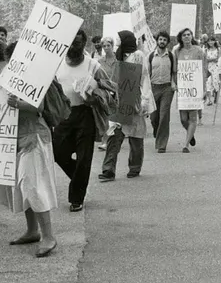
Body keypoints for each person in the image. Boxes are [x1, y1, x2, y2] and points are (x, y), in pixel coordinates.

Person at [0, 41, 71, 258]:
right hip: (16, 136)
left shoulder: (36, 75)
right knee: (22, 186)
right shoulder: (13, 75)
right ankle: (33, 230)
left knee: (32, 184)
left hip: (34, 136)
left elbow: (37, 108)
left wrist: (18, 104)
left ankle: (48, 236)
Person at [53, 29, 118, 212]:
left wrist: (95, 98)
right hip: (63, 115)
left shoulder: (93, 65)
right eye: (72, 42)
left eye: (79, 43)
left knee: (84, 158)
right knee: (58, 152)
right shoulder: (57, 64)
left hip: (85, 114)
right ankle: (80, 179)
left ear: (84, 44)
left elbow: (110, 90)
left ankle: (76, 199)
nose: (75, 46)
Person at [99, 30, 155, 181]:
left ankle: (135, 167)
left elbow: (144, 77)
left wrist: (144, 99)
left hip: (135, 100)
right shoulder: (119, 56)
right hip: (120, 101)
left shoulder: (138, 55)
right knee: (114, 135)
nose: (117, 41)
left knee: (136, 136)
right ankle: (108, 170)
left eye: (119, 39)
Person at [175, 28, 207, 153]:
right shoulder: (177, 51)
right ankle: (190, 133)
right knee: (183, 119)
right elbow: (174, 70)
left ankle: (186, 144)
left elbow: (203, 71)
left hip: (195, 88)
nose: (187, 37)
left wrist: (204, 89)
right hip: (183, 89)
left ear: (192, 36)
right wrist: (175, 83)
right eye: (184, 35)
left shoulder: (199, 51)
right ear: (181, 37)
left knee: (193, 117)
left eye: (189, 35)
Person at [148, 30, 177, 153]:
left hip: (167, 88)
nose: (162, 41)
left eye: (165, 40)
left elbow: (174, 71)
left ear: (167, 42)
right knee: (154, 117)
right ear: (157, 40)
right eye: (160, 39)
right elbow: (147, 74)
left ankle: (161, 144)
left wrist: (173, 83)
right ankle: (156, 130)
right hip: (153, 88)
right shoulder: (150, 56)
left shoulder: (171, 55)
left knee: (164, 115)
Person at [203, 36, 221, 106]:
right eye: (209, 41)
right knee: (208, 83)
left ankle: (216, 96)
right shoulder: (206, 50)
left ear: (214, 41)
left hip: (216, 68)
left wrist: (211, 59)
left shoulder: (218, 49)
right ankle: (209, 100)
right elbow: (205, 59)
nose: (211, 42)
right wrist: (212, 59)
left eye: (212, 41)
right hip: (208, 68)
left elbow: (218, 59)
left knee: (215, 83)